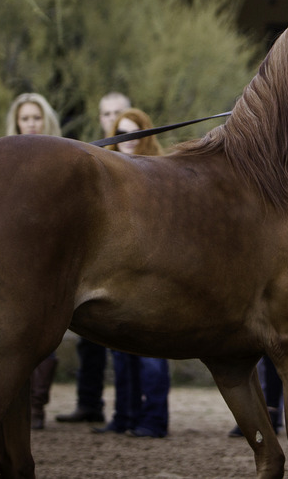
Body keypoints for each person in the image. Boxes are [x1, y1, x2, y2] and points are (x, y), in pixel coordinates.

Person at [92, 108, 172, 438]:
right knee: (120, 351)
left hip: (153, 273)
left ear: (144, 134)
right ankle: (123, 416)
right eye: (120, 132)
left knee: (152, 354)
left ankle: (154, 419)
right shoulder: (106, 174)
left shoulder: (161, 172)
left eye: (132, 131)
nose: (126, 139)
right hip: (118, 272)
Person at [57, 92, 132, 425]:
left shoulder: (140, 156)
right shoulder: (91, 158)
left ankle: (126, 410)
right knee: (88, 342)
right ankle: (89, 403)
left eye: (118, 112)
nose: (111, 118)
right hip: (92, 263)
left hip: (127, 263)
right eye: (106, 113)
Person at [6, 93, 63, 429]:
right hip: (12, 256)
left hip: (50, 258)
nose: (31, 124)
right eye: (25, 118)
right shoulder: (0, 158)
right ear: (16, 122)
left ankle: (37, 407)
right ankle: (13, 407)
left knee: (44, 334)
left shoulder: (63, 155)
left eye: (36, 118)